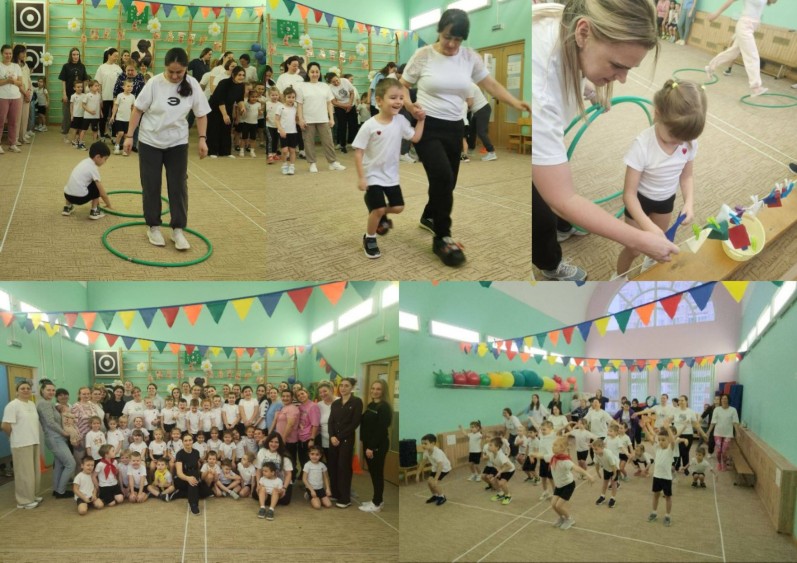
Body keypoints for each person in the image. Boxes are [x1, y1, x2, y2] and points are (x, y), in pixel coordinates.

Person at [532, 1, 679, 281]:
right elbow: (563, 198)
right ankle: (550, 263)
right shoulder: (540, 92)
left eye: (630, 69)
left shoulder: (570, 22)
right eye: (617, 66)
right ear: (583, 33)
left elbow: (572, 58)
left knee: (556, 181)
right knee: (541, 212)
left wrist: (588, 87)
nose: (622, 80)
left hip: (541, 126)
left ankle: (565, 225)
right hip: (531, 134)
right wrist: (639, 239)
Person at [401, 9, 530, 267]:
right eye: (448, 37)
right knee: (442, 177)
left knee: (447, 183)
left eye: (458, 39)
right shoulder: (424, 55)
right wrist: (409, 105)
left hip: (455, 127)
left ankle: (429, 215)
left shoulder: (469, 57)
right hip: (428, 126)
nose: (452, 44)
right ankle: (442, 237)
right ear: (439, 31)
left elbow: (491, 85)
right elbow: (403, 85)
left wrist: (516, 102)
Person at [616, 80, 706, 278]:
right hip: (639, 202)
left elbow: (687, 176)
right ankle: (619, 278)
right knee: (634, 249)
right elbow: (629, 195)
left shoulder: (688, 142)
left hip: (666, 201)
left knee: (660, 245)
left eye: (684, 139)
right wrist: (648, 226)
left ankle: (649, 267)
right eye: (673, 137)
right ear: (657, 114)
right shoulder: (642, 145)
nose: (679, 143)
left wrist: (689, 203)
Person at [123, 48, 210, 250]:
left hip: (177, 143)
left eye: (179, 72)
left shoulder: (193, 85)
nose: (175, 76)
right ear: (165, 67)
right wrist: (129, 136)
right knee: (151, 185)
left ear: (186, 69)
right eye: (171, 71)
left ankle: (177, 229)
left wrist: (202, 139)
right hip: (150, 141)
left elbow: (201, 114)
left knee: (178, 186)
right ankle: (153, 226)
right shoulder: (154, 83)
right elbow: (137, 109)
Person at [353, 77, 425, 259]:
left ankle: (376, 211)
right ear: (379, 100)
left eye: (401, 98)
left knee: (399, 207)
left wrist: (421, 120)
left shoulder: (401, 121)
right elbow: (358, 152)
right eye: (393, 97)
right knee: (378, 210)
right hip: (372, 175)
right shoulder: (369, 125)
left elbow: (415, 138)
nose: (398, 101)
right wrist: (361, 177)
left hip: (391, 176)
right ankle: (369, 237)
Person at [705, 0, 778, 97]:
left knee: (732, 53)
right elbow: (730, 1)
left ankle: (710, 67)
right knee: (752, 55)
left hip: (751, 27)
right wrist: (716, 14)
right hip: (744, 26)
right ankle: (756, 86)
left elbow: (772, 1)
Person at [297, 62, 346, 173]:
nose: (315, 74)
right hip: (308, 120)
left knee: (328, 142)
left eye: (317, 72)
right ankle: (312, 163)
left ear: (319, 73)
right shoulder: (302, 86)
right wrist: (300, 119)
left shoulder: (325, 86)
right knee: (309, 143)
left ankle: (332, 163)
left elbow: (329, 103)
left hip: (323, 119)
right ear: (308, 73)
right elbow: (299, 104)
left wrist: (331, 118)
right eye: (312, 72)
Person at [2, 381, 43, 509]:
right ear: (17, 391)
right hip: (21, 444)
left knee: (34, 472)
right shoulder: (12, 405)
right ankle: (23, 501)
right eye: (22, 388)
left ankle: (32, 495)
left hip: (34, 441)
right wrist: (13, 437)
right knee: (24, 474)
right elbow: (5, 425)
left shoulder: (31, 404)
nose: (25, 390)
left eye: (28, 388)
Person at [36, 380, 77, 499]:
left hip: (57, 437)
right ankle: (61, 491)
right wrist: (64, 432)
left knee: (59, 465)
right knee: (71, 464)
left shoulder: (49, 403)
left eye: (53, 390)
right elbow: (50, 422)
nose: (51, 392)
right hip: (55, 438)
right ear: (42, 390)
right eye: (48, 390)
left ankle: (56, 489)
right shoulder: (44, 403)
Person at [327, 377, 363, 508]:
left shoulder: (356, 402)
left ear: (352, 388)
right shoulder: (336, 403)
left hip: (346, 440)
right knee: (333, 466)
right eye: (341, 385)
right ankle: (335, 493)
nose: (343, 388)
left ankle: (345, 498)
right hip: (333, 440)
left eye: (346, 385)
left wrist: (339, 437)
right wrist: (332, 436)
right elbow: (330, 421)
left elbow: (355, 423)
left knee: (344, 467)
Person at [358, 380, 392, 513]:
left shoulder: (384, 407)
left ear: (383, 391)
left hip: (377, 445)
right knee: (373, 473)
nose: (374, 391)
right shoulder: (371, 405)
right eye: (373, 388)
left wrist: (371, 447)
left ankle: (377, 503)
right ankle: (377, 499)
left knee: (377, 474)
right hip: (369, 444)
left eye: (378, 389)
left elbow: (380, 430)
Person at [548, 436, 596, 529]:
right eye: (553, 445)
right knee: (553, 504)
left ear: (562, 448)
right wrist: (534, 454)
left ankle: (569, 519)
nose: (553, 447)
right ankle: (562, 518)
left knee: (558, 505)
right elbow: (542, 456)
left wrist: (588, 475)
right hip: (559, 485)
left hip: (568, 485)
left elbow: (576, 468)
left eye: (555, 445)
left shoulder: (565, 461)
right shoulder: (553, 457)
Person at [61, 140, 112, 219]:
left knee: (74, 182)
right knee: (97, 185)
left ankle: (67, 207)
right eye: (105, 159)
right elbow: (102, 193)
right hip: (80, 199)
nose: (105, 162)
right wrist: (108, 204)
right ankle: (94, 211)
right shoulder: (93, 168)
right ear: (98, 157)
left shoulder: (84, 162)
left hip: (67, 195)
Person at [207, 65, 245, 158]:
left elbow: (240, 99)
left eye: (243, 75)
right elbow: (220, 100)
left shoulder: (241, 86)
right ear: (233, 75)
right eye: (239, 75)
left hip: (227, 107)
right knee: (214, 128)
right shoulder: (224, 83)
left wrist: (242, 107)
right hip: (215, 107)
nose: (241, 77)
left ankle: (225, 152)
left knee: (226, 128)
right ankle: (212, 151)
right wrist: (224, 114)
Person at [648, 422, 681, 527]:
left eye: (663, 440)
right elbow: (650, 439)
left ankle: (667, 516)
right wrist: (645, 427)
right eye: (659, 440)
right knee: (656, 495)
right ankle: (654, 512)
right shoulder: (657, 448)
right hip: (656, 476)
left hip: (666, 478)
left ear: (668, 440)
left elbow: (673, 441)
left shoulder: (670, 449)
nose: (661, 442)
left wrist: (668, 429)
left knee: (667, 497)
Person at [174, 432, 212, 515]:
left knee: (206, 492)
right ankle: (193, 504)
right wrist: (188, 478)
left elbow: (198, 465)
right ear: (182, 442)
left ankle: (180, 493)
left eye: (190, 440)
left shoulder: (196, 452)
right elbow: (179, 473)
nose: (188, 442)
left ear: (192, 441)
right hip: (183, 478)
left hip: (194, 475)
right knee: (193, 479)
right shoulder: (179, 454)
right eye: (186, 441)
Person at [255, 431, 294, 507]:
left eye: (276, 442)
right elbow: (258, 470)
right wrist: (258, 485)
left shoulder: (284, 455)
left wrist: (284, 488)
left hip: (280, 483)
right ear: (268, 442)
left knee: (285, 501)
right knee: (256, 494)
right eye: (271, 441)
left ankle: (271, 497)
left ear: (280, 443)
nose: (273, 444)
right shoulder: (262, 451)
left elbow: (288, 474)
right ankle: (271, 498)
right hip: (265, 481)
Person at [672, 395, 708, 474]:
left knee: (685, 452)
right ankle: (677, 467)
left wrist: (703, 434)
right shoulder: (675, 411)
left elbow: (696, 424)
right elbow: (669, 419)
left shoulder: (690, 411)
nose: (680, 402)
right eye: (679, 400)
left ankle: (685, 468)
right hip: (677, 434)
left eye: (682, 400)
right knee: (678, 451)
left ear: (686, 401)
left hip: (688, 434)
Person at [58, 47, 89, 137]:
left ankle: (77, 132)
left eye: (77, 54)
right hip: (68, 94)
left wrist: (85, 94)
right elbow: (63, 81)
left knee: (79, 114)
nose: (76, 56)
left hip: (80, 95)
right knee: (67, 114)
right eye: (74, 54)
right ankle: (65, 131)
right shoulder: (66, 66)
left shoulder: (82, 66)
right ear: (70, 56)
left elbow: (85, 80)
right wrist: (64, 94)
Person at [0, 44, 24, 154]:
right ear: (2, 54)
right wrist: (7, 81)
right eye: (6, 53)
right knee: (1, 121)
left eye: (10, 53)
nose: (8, 55)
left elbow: (20, 83)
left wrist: (13, 81)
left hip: (16, 97)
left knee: (14, 122)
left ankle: (12, 144)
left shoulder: (16, 67)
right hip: (2, 97)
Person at [706, 394, 740, 471]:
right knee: (718, 451)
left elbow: (735, 422)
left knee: (724, 451)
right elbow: (713, 422)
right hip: (717, 433)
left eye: (725, 399)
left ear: (728, 400)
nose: (724, 400)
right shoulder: (717, 410)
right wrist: (708, 432)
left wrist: (737, 432)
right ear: (720, 400)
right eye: (722, 399)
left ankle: (724, 463)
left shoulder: (733, 410)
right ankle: (719, 463)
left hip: (728, 434)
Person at [326, 72, 357, 152]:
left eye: (337, 80)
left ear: (338, 77)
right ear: (330, 82)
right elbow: (334, 102)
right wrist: (345, 106)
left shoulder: (345, 81)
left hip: (351, 105)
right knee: (342, 126)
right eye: (333, 82)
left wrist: (350, 104)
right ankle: (342, 144)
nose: (336, 83)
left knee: (353, 125)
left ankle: (352, 142)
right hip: (340, 107)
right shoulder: (329, 88)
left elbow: (352, 92)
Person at [95, 48, 122, 138]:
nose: (116, 58)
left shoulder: (118, 68)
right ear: (109, 55)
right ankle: (102, 135)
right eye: (115, 56)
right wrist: (100, 97)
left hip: (116, 98)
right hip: (105, 97)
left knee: (115, 117)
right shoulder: (101, 67)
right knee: (103, 117)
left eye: (117, 56)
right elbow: (99, 84)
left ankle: (114, 136)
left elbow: (122, 83)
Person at [466, 83, 496, 161]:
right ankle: (471, 150)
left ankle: (491, 152)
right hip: (477, 111)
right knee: (471, 130)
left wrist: (462, 110)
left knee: (481, 132)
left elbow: (470, 103)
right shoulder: (465, 87)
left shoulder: (470, 86)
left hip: (483, 110)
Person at [295, 388, 320, 482]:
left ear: (307, 394)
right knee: (302, 461)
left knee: (310, 462)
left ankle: (311, 483)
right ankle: (305, 480)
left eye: (302, 393)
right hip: (301, 438)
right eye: (298, 395)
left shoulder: (313, 406)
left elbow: (315, 424)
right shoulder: (300, 407)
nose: (301, 396)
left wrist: (312, 439)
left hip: (309, 438)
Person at [421, 433, 451, 505]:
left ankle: (442, 497)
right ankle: (435, 495)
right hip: (435, 468)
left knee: (433, 483)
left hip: (444, 468)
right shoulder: (426, 452)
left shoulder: (437, 452)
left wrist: (436, 479)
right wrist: (417, 474)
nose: (423, 445)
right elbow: (422, 463)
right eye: (422, 443)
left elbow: (440, 466)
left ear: (433, 444)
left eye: (425, 443)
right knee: (429, 482)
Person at [12, 45, 33, 147]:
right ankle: (15, 139)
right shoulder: (14, 66)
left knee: (25, 116)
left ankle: (22, 136)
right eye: (22, 52)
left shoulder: (25, 65)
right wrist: (24, 92)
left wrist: (28, 91)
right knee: (17, 117)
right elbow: (17, 82)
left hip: (26, 93)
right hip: (18, 93)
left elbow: (28, 79)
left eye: (25, 52)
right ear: (17, 53)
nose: (24, 54)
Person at [276, 87, 299, 175]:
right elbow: (277, 120)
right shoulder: (280, 107)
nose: (291, 99)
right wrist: (281, 129)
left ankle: (292, 166)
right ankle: (284, 165)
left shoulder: (295, 108)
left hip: (293, 132)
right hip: (283, 132)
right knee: (285, 151)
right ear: (284, 97)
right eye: (289, 97)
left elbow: (296, 119)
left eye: (293, 97)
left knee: (292, 150)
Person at [591, 438, 620, 508]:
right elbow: (596, 463)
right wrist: (598, 472)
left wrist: (615, 474)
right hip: (606, 468)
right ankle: (602, 496)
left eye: (596, 449)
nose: (594, 451)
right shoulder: (596, 454)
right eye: (593, 449)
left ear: (602, 447)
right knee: (605, 482)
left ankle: (613, 498)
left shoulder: (608, 454)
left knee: (613, 483)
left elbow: (613, 465)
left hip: (614, 468)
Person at [302, 445, 332, 509]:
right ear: (309, 454)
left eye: (317, 454)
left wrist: (328, 488)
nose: (314, 456)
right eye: (312, 454)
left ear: (320, 455)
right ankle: (308, 494)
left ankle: (319, 498)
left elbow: (326, 478)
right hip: (311, 488)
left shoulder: (322, 465)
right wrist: (311, 490)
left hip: (320, 488)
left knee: (328, 505)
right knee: (317, 506)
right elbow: (304, 479)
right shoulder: (307, 465)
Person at [316, 381, 336, 460]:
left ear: (331, 390)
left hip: (338, 440)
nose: (322, 394)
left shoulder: (339, 401)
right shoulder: (318, 405)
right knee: (330, 462)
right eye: (320, 392)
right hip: (325, 441)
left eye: (325, 391)